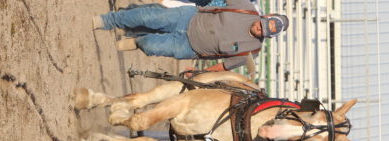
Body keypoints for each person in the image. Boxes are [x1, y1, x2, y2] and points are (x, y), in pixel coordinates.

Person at [92, 0, 289, 72]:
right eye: (262, 23)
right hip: (189, 17)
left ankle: (137, 41)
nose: (259, 28)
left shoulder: (251, 52)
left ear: (268, 36)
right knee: (149, 16)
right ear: (266, 16)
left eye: (264, 31)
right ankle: (107, 21)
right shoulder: (246, 7)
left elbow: (223, 66)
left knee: (152, 46)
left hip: (190, 48)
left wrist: (200, 73)